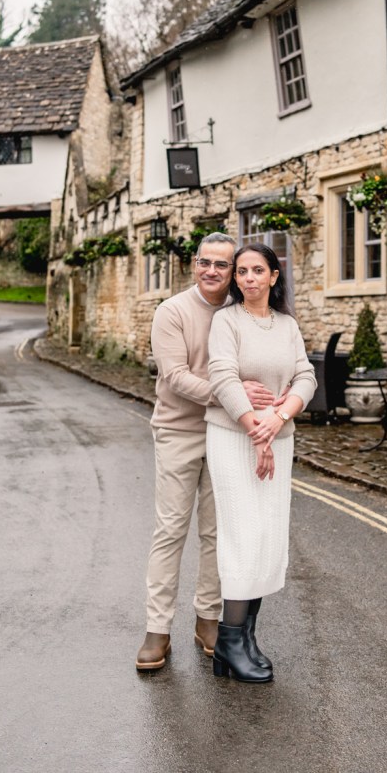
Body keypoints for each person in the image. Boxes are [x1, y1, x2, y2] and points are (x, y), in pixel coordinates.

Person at [136, 232, 280, 671]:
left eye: (222, 264)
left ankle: (207, 621)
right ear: (194, 265)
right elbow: (175, 376)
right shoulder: (172, 311)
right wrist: (230, 395)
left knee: (218, 534)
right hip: (179, 431)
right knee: (170, 530)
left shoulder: (240, 312)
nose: (212, 271)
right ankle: (157, 629)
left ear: (233, 270)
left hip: (229, 434)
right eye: (205, 262)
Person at [205, 243, 317, 683]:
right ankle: (229, 641)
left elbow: (305, 376)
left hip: (278, 437)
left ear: (273, 276)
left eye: (257, 270)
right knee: (243, 536)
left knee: (267, 536)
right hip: (233, 438)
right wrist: (257, 429)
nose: (248, 278)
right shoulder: (226, 321)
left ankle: (245, 639)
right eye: (242, 271)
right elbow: (222, 377)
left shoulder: (287, 325)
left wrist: (279, 418)